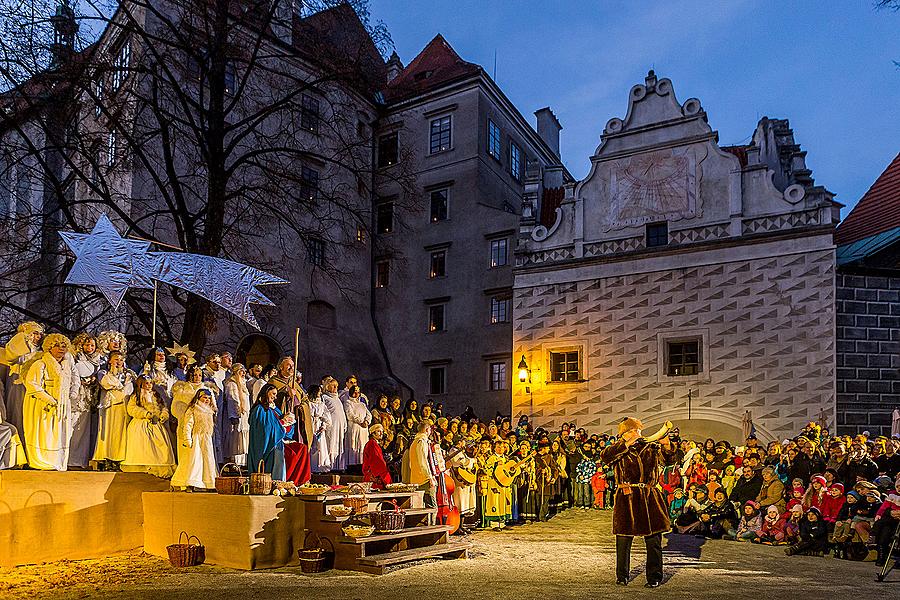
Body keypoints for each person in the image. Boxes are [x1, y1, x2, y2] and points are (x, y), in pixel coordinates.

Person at [599, 418, 674, 588]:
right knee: (623, 539)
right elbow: (605, 456)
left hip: (649, 497)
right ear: (623, 434)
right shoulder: (617, 450)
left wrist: (667, 446)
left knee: (654, 540)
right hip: (627, 497)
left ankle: (654, 576)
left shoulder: (651, 447)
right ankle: (622, 575)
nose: (636, 434)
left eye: (637, 430)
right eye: (632, 431)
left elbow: (669, 461)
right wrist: (625, 445)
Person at [22, 333, 75, 471]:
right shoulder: (41, 364)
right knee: (44, 432)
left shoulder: (67, 365)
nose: (61, 349)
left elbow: (75, 380)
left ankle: (57, 461)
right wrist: (50, 400)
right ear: (49, 347)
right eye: (57, 346)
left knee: (60, 433)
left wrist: (72, 393)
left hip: (62, 404)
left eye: (63, 346)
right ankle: (43, 461)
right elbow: (32, 384)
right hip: (43, 404)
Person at [121, 375, 175, 478]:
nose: (149, 385)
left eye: (150, 383)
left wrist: (163, 414)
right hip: (142, 423)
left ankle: (159, 464)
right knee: (144, 444)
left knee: (161, 445)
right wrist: (145, 413)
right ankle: (143, 465)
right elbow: (131, 408)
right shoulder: (137, 396)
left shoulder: (156, 395)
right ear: (141, 384)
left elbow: (163, 407)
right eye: (146, 383)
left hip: (156, 423)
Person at [1, 321, 45, 439]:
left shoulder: (41, 351)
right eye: (35, 333)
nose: (38, 337)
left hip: (33, 386)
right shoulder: (18, 347)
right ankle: (16, 440)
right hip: (17, 383)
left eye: (40, 334)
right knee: (16, 409)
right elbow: (11, 356)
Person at [92, 351, 134, 470]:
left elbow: (128, 389)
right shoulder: (103, 372)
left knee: (119, 433)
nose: (119, 362)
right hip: (108, 406)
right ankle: (105, 458)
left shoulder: (127, 375)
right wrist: (119, 386)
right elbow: (106, 383)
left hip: (121, 406)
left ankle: (117, 458)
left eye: (121, 360)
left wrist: (119, 388)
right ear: (110, 360)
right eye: (116, 359)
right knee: (107, 431)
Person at [171, 388, 218, 490]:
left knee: (207, 460)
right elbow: (188, 425)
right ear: (198, 398)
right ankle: (191, 482)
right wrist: (187, 438)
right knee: (195, 459)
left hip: (206, 439)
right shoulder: (193, 409)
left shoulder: (210, 411)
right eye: (204, 397)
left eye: (208, 398)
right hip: (196, 438)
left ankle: (208, 483)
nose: (206, 400)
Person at [70, 333, 101, 469]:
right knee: (72, 425)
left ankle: (80, 460)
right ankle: (69, 459)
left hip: (89, 397)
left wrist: (94, 381)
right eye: (87, 344)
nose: (90, 347)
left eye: (92, 345)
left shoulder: (98, 360)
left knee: (83, 428)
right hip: (76, 396)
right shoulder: (75, 357)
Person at [223, 363, 251, 466]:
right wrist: (234, 415)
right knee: (235, 436)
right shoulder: (232, 384)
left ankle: (242, 461)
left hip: (244, 415)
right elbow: (232, 400)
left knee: (243, 435)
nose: (243, 373)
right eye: (241, 371)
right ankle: (234, 461)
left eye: (244, 371)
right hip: (236, 415)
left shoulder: (243, 384)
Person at [404, 420, 436, 508]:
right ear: (427, 429)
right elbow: (423, 462)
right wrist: (429, 477)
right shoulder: (421, 442)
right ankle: (432, 522)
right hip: (424, 480)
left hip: (416, 478)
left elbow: (411, 464)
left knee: (423, 507)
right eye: (430, 429)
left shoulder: (414, 442)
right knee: (432, 507)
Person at [320, 377, 347, 471]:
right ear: (327, 387)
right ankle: (329, 467)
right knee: (331, 444)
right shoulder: (324, 397)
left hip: (339, 426)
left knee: (339, 445)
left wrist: (344, 424)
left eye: (337, 386)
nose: (336, 387)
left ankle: (339, 466)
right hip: (331, 426)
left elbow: (341, 412)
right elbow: (323, 411)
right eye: (333, 385)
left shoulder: (338, 399)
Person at [343, 384, 372, 471]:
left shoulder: (362, 404)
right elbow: (350, 415)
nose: (356, 393)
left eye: (358, 392)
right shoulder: (348, 402)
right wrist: (361, 421)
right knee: (353, 445)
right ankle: (352, 467)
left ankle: (362, 466)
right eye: (354, 391)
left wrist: (367, 421)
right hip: (354, 428)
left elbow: (369, 414)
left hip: (363, 430)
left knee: (362, 446)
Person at [307, 385, 332, 473]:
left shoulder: (321, 404)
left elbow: (327, 417)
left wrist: (323, 425)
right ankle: (310, 467)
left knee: (319, 446)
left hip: (318, 426)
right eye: (319, 391)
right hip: (310, 426)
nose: (320, 393)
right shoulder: (308, 403)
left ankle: (319, 467)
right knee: (311, 446)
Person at [362, 423, 391, 488]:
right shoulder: (372, 444)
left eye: (382, 432)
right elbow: (377, 461)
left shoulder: (373, 444)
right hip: (375, 477)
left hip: (372, 475)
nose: (381, 433)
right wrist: (386, 478)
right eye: (378, 431)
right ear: (373, 433)